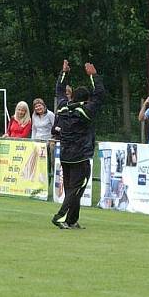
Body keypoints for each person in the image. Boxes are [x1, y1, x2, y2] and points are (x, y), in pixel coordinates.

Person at [51, 59, 104, 230]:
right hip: (80, 156)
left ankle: (72, 220)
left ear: (72, 96)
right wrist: (93, 76)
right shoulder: (86, 112)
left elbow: (59, 90)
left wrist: (64, 72)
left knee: (71, 188)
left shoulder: (63, 107)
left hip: (65, 155)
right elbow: (100, 94)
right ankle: (60, 217)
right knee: (76, 189)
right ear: (86, 99)